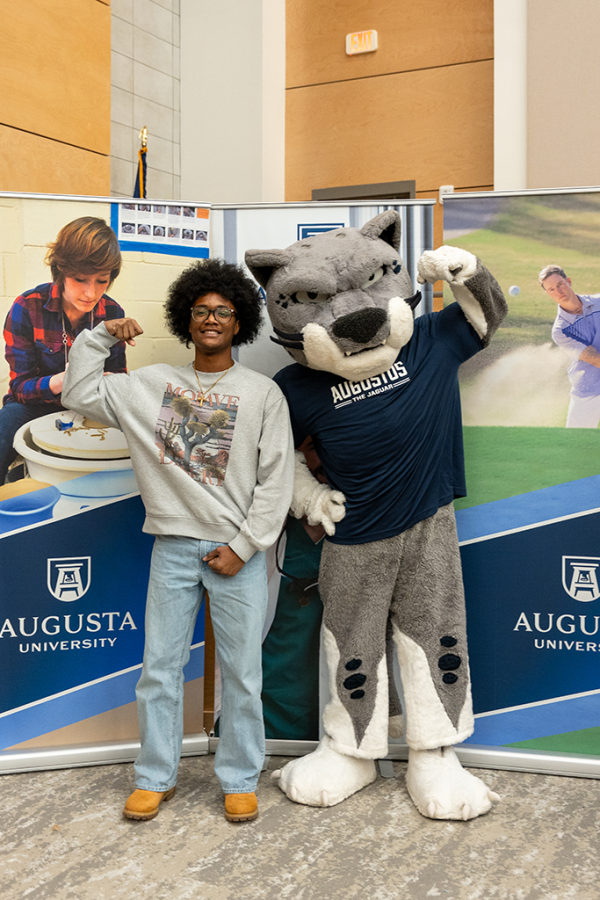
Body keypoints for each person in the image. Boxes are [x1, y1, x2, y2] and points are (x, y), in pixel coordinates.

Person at [62, 258, 294, 823]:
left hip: (236, 552)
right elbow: (78, 392)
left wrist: (244, 546)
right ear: (185, 319)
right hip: (172, 548)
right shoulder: (149, 387)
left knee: (242, 673)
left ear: (239, 324)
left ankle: (240, 778)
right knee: (159, 670)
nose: (211, 319)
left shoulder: (262, 395)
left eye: (223, 312)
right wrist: (100, 334)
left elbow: (277, 479)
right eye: (201, 311)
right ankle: (155, 776)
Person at [0, 216, 126, 484]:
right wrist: (63, 381)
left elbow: (119, 380)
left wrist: (110, 382)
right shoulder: (27, 307)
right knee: (3, 428)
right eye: (80, 279)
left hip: (90, 406)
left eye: (101, 281)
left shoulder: (113, 312)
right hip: (34, 405)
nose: (91, 293)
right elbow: (20, 388)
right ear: (60, 270)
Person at [540, 264, 600, 428]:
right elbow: (595, 359)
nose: (558, 292)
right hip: (589, 389)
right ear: (548, 293)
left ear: (569, 281)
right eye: (551, 289)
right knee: (574, 445)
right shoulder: (561, 330)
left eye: (560, 285)